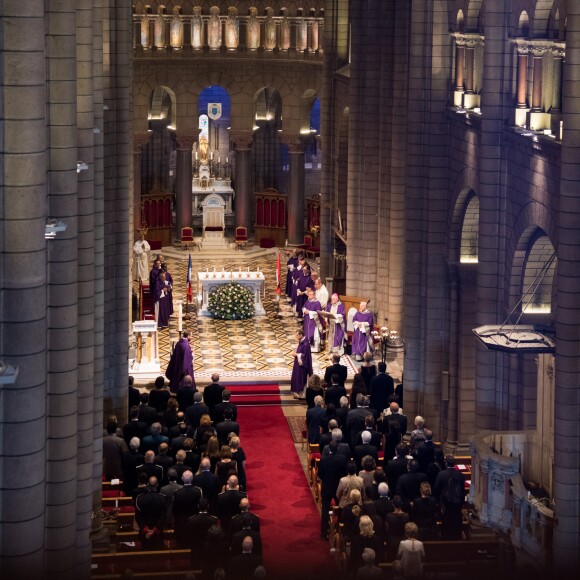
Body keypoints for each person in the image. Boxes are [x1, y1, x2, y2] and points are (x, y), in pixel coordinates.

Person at [135, 476, 167, 550]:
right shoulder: (162, 498)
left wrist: (146, 529)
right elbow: (163, 516)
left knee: (145, 551)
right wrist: (155, 529)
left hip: (145, 532)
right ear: (157, 485)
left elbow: (138, 516)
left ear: (148, 485)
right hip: (158, 532)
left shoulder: (140, 498)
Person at [290, 329, 313, 399]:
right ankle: (298, 393)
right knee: (297, 377)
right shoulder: (302, 342)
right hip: (299, 364)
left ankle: (302, 395)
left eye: (297, 335)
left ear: (301, 335)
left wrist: (296, 355)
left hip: (303, 366)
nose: (296, 336)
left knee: (301, 379)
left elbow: (305, 356)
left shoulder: (305, 344)